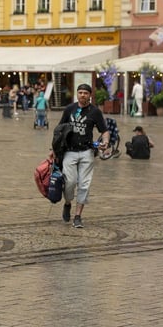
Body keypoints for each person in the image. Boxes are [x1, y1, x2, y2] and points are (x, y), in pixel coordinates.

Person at [54, 83, 110, 229]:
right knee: (70, 183)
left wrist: (105, 142)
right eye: (80, 92)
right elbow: (59, 130)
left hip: (87, 152)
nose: (83, 95)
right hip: (70, 152)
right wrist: (54, 149)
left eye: (85, 93)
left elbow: (104, 131)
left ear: (90, 95)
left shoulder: (95, 112)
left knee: (84, 185)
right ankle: (67, 203)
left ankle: (78, 216)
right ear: (77, 94)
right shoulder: (69, 109)